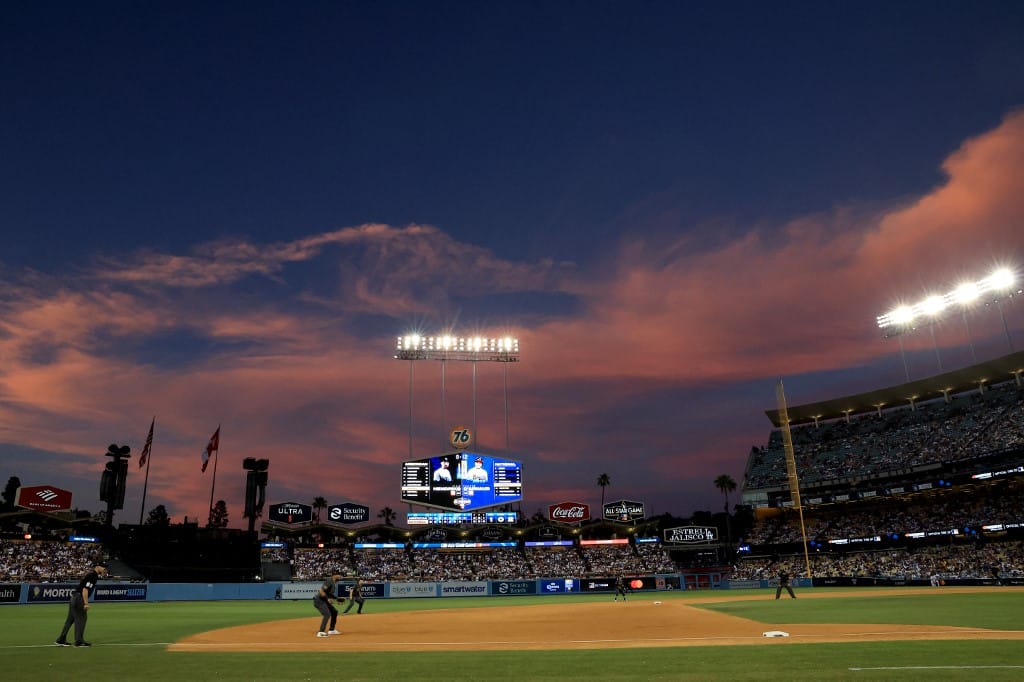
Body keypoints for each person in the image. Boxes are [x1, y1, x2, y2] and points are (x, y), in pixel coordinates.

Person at [55, 560, 108, 647]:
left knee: (70, 620)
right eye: (103, 567)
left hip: (74, 597)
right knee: (81, 618)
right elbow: (85, 589)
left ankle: (61, 639)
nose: (104, 569)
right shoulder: (93, 575)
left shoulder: (91, 574)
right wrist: (86, 603)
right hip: (79, 598)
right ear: (97, 566)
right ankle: (79, 641)